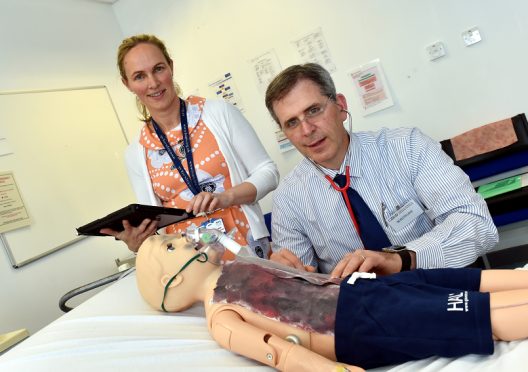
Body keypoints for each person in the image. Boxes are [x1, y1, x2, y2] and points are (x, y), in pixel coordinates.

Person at [136, 233, 528, 371]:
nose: (187, 239)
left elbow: (299, 283)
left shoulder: (239, 264)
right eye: (170, 246)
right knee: (463, 313)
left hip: (358, 289)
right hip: (353, 324)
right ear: (173, 282)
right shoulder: (221, 315)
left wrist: (291, 269)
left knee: (454, 280)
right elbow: (280, 354)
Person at [264, 63, 498, 278]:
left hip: (442, 289)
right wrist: (290, 280)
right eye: (292, 122)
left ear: (341, 107)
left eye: (314, 110)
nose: (306, 130)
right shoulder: (288, 199)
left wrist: (401, 260)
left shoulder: (407, 147)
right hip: (368, 314)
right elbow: (302, 291)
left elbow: (476, 224)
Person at [102, 34, 279, 260]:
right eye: (139, 76)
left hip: (245, 247)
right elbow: (154, 225)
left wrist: (226, 197)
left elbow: (269, 173)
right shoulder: (136, 153)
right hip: (189, 264)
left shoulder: (218, 113)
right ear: (128, 85)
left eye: (158, 69)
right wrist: (139, 243)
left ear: (171, 67)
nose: (153, 83)